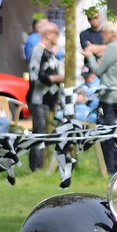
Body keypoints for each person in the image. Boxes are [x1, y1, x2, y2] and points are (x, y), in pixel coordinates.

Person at [93, 19, 117, 173]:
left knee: (106, 132)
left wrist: (90, 57)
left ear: (112, 33)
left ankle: (108, 166)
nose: (102, 35)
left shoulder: (112, 48)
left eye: (104, 32)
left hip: (108, 97)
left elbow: (98, 71)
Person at [27, 21, 65, 171]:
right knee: (39, 133)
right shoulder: (38, 51)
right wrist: (56, 79)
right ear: (49, 35)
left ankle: (44, 164)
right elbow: (34, 76)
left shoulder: (50, 52)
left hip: (50, 100)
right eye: (57, 34)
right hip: (39, 100)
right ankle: (36, 167)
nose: (58, 37)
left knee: (46, 133)